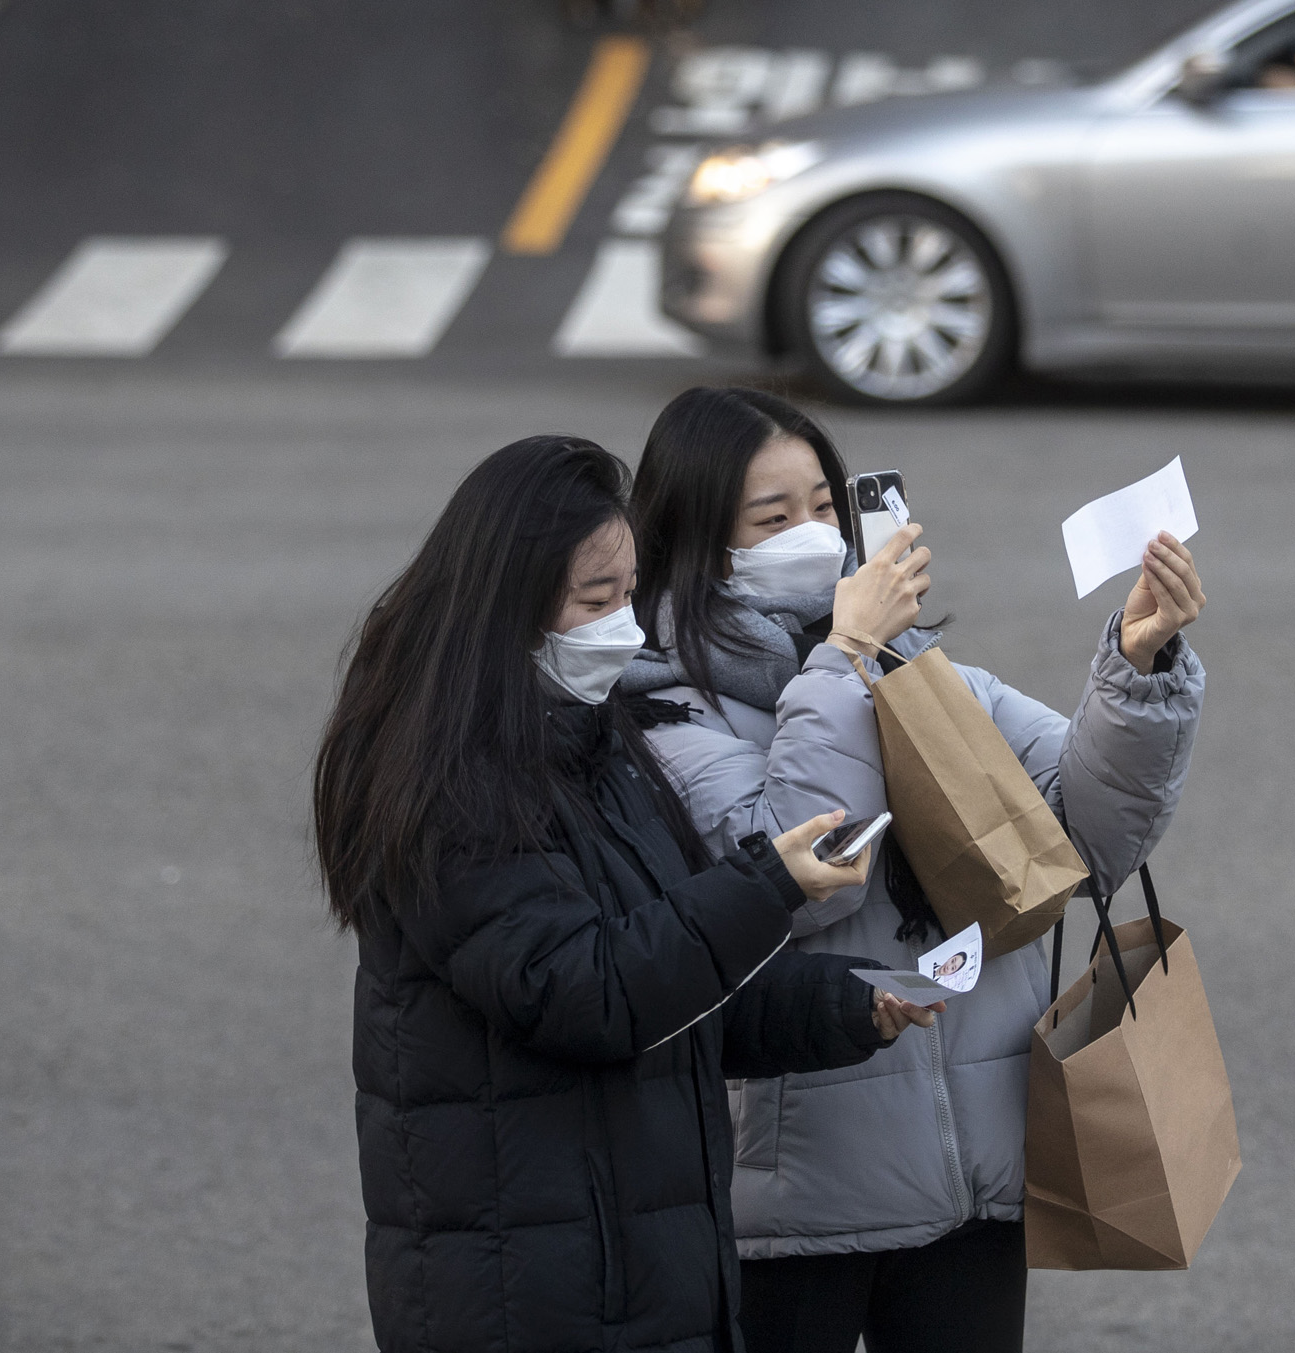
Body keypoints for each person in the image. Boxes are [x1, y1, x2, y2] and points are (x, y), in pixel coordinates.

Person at [313, 434, 938, 1353]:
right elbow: (588, 992)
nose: (628, 628)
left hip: (634, 1266)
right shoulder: (452, 791)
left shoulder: (591, 744)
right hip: (535, 1291)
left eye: (628, 593)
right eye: (595, 600)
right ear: (506, 611)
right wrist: (765, 885)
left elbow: (674, 991)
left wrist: (844, 1002)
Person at [619, 388, 1207, 1353]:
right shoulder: (670, 717)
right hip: (793, 1213)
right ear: (696, 543)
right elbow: (800, 872)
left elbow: (1086, 841)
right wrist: (844, 654)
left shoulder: (927, 676)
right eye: (772, 519)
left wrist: (1138, 668)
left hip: (975, 1186)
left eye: (822, 506)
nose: (811, 533)